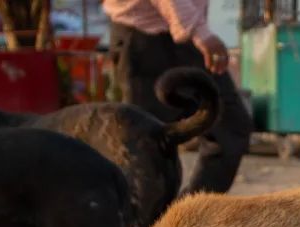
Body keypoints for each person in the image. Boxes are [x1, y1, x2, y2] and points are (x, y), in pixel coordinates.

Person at [104, 0, 252, 194]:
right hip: (144, 37)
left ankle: (188, 216)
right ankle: (150, 221)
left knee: (229, 127)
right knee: (146, 147)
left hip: (181, 33)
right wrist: (202, 32)